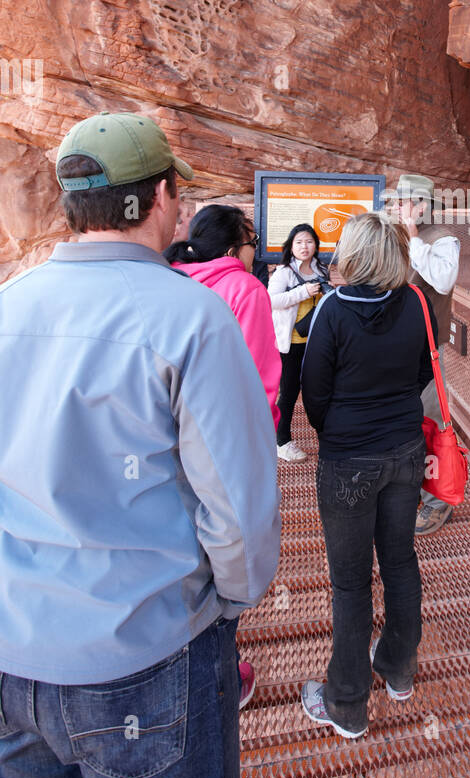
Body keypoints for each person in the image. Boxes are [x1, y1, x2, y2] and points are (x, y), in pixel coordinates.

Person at [0, 112, 280, 778]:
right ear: (158, 197)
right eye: (176, 195)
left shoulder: (8, 307)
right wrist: (230, 600)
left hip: (14, 655)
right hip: (148, 661)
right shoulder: (192, 318)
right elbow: (236, 510)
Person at [299, 212, 435, 740]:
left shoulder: (333, 311)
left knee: (351, 582)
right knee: (400, 559)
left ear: (354, 253)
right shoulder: (418, 305)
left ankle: (349, 704)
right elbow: (425, 371)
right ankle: (399, 668)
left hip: (349, 459)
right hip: (404, 449)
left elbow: (314, 391)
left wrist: (340, 430)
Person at [165, 205, 281, 434]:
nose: (255, 252)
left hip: (170, 421)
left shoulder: (170, 276)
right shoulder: (245, 288)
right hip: (226, 426)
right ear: (232, 251)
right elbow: (256, 372)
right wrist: (262, 432)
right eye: (253, 243)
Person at [392, 174, 460, 536]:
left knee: (432, 420)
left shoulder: (443, 239)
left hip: (427, 349)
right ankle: (412, 486)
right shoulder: (395, 235)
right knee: (404, 421)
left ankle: (439, 501)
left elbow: (443, 280)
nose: (398, 208)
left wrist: (415, 237)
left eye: (404, 202)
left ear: (422, 205)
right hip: (395, 346)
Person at [268, 223, 332, 463]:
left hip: (316, 341)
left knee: (319, 390)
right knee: (289, 393)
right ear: (291, 246)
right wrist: (304, 292)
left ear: (316, 244)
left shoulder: (321, 269)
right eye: (299, 242)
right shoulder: (283, 272)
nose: (304, 247)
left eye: (309, 241)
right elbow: (271, 300)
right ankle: (281, 441)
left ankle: (326, 436)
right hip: (290, 343)